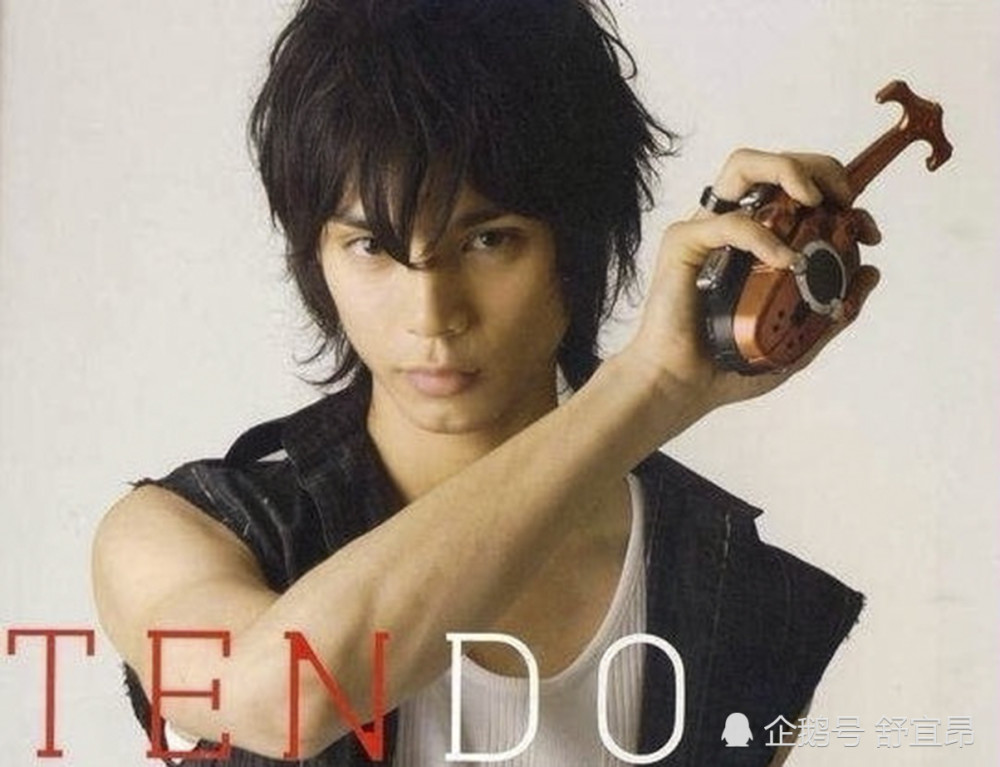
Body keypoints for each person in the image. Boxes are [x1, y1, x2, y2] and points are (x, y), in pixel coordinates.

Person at [91, 1, 882, 765]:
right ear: (317, 257)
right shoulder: (180, 536)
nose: (432, 314)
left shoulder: (743, 597)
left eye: (489, 240)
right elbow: (284, 698)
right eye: (372, 247)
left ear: (580, 244)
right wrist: (647, 388)